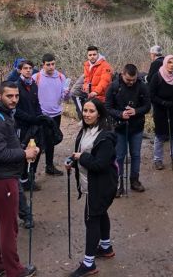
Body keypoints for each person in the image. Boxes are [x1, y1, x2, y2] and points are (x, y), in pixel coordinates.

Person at [0, 81, 39, 277]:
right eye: (9, 96)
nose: (14, 100)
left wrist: (23, 149)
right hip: (1, 179)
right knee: (8, 227)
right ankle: (15, 270)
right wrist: (24, 154)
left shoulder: (3, 116)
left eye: (16, 96)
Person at [67, 99, 119, 277]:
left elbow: (99, 164)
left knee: (91, 219)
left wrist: (80, 157)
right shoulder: (85, 130)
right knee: (100, 213)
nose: (87, 114)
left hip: (100, 185)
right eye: (86, 111)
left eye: (92, 111)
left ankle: (88, 263)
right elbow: (84, 155)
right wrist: (73, 161)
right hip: (90, 182)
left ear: (100, 114)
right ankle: (106, 247)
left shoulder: (105, 137)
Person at [106, 64, 151, 195]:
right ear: (122, 75)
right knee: (119, 156)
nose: (131, 82)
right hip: (119, 127)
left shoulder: (142, 86)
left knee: (136, 155)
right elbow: (108, 107)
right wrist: (121, 114)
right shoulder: (114, 86)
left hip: (137, 127)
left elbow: (147, 106)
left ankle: (134, 180)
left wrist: (135, 111)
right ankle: (118, 183)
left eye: (133, 79)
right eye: (128, 80)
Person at [148, 55, 173, 170]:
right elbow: (151, 95)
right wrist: (162, 102)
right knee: (160, 135)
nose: (171, 65)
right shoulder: (157, 76)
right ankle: (158, 159)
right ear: (165, 63)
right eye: (169, 62)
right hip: (161, 111)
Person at [33, 53, 69, 176]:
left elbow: (65, 97)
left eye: (53, 64)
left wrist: (67, 93)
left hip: (56, 114)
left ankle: (49, 166)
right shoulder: (36, 77)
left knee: (51, 141)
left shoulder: (61, 77)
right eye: (48, 64)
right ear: (43, 65)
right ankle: (31, 173)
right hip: (41, 115)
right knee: (38, 142)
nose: (51, 67)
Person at [14, 60, 44, 191]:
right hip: (22, 126)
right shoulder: (16, 86)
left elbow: (37, 103)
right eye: (25, 68)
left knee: (36, 150)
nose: (28, 70)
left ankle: (31, 178)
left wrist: (40, 117)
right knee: (23, 152)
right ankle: (22, 179)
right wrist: (31, 119)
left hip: (34, 126)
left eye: (30, 68)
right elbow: (16, 109)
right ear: (20, 70)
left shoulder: (34, 85)